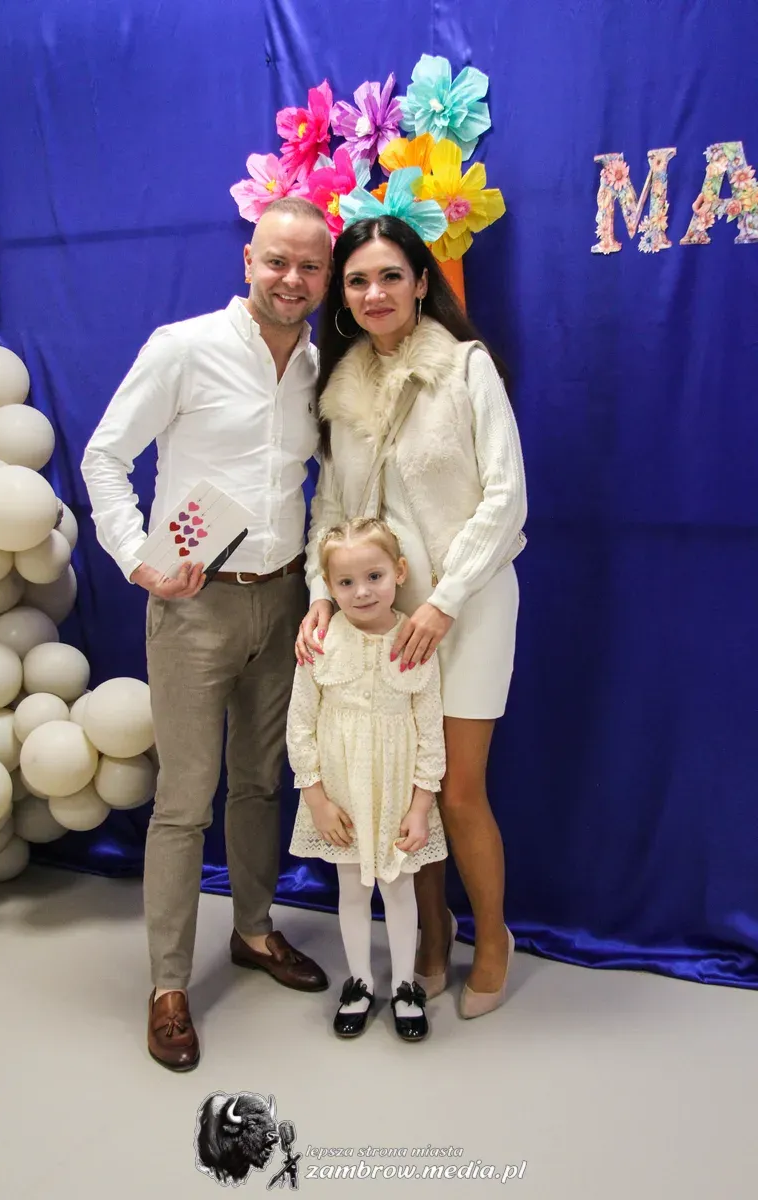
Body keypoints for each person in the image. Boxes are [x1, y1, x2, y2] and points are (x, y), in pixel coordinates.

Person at [81, 197, 333, 1071]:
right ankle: (167, 986)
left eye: (309, 266)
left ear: (324, 276)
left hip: (285, 597)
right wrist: (137, 559)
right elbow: (104, 456)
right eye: (277, 261)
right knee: (185, 802)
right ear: (248, 262)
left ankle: (255, 933)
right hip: (194, 605)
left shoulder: (319, 368)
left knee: (261, 783)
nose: (291, 279)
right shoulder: (182, 348)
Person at [295, 214, 527, 1020]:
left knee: (457, 790)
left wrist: (443, 600)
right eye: (357, 280)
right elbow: (329, 511)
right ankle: (432, 932)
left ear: (422, 282)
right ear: (343, 296)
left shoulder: (465, 367)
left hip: (469, 605)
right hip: (378, 620)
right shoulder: (340, 390)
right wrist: (321, 595)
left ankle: (491, 937)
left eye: (391, 275)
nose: (375, 293)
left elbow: (506, 496)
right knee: (399, 791)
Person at [286, 517, 447, 1041]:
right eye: (346, 582)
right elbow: (300, 724)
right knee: (352, 890)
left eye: (374, 576)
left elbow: (431, 732)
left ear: (399, 572)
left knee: (399, 890)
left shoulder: (415, 641)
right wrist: (317, 799)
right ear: (329, 588)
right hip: (342, 793)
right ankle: (358, 982)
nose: (361, 592)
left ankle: (404, 985)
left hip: (397, 792)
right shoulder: (320, 641)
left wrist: (420, 807)